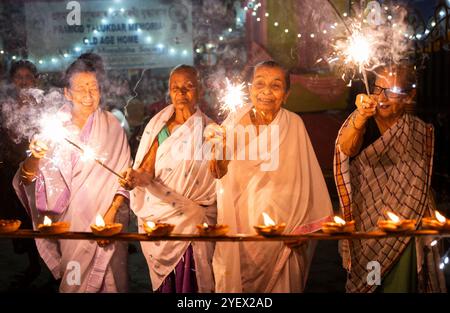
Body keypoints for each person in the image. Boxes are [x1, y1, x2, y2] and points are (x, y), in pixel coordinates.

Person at [209, 60, 333, 292]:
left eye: (276, 86)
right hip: (242, 227)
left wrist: (303, 230)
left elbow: (309, 181)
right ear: (249, 90)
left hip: (286, 233)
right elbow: (219, 172)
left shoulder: (294, 124)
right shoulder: (233, 124)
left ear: (286, 95)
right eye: (260, 84)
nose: (266, 91)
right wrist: (217, 154)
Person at [12, 56, 131, 292]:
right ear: (67, 93)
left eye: (93, 88)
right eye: (81, 88)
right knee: (75, 282)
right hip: (71, 223)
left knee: (114, 283)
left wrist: (111, 215)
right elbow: (27, 180)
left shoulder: (112, 126)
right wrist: (35, 156)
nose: (88, 95)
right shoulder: (54, 129)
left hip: (109, 222)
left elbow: (124, 177)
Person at [334, 64, 447, 293]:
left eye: (393, 90)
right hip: (367, 228)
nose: (382, 97)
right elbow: (346, 148)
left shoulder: (421, 131)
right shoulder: (362, 121)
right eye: (378, 88)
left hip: (407, 228)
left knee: (401, 285)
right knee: (371, 283)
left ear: (410, 95)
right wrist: (360, 116)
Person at [120, 65, 216, 293]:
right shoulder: (160, 128)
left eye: (188, 87)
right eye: (175, 88)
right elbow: (145, 171)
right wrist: (133, 177)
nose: (181, 93)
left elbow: (218, 178)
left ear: (199, 90)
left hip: (194, 221)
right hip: (163, 219)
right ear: (169, 92)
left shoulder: (211, 130)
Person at [0, 60, 42, 288]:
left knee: (39, 215)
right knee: (20, 218)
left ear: (35, 79)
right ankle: (33, 264)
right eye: (19, 77)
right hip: (10, 168)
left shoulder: (44, 106)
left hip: (38, 170)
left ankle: (54, 265)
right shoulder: (5, 107)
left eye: (28, 76)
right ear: (13, 81)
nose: (24, 81)